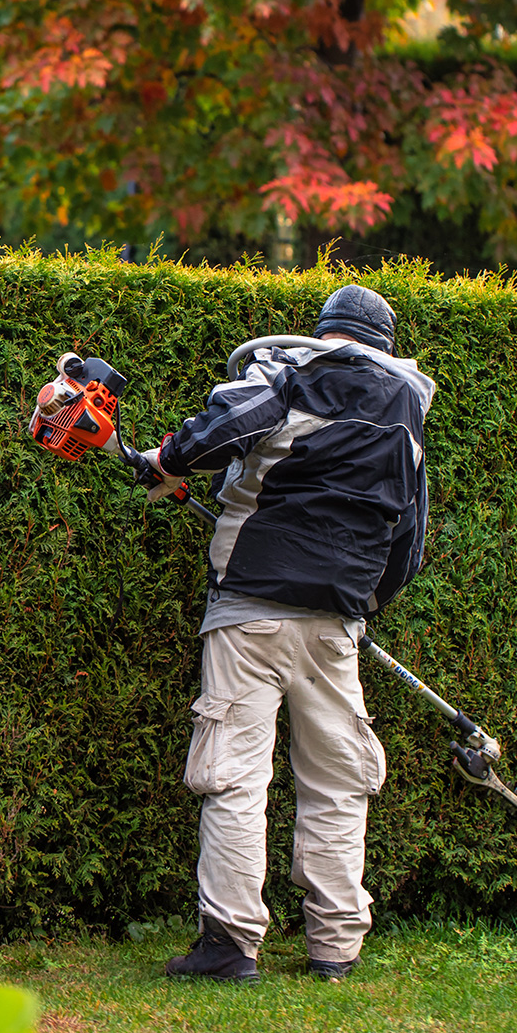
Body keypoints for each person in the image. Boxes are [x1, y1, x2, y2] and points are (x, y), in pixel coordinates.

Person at [142, 284, 435, 983]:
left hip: (250, 611)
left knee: (236, 776)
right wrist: (362, 605)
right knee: (337, 784)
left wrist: (166, 459)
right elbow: (408, 544)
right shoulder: (409, 418)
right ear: (385, 347)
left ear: (325, 331)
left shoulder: (292, 374)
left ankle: (230, 946)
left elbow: (224, 427)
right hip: (336, 624)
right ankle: (335, 948)